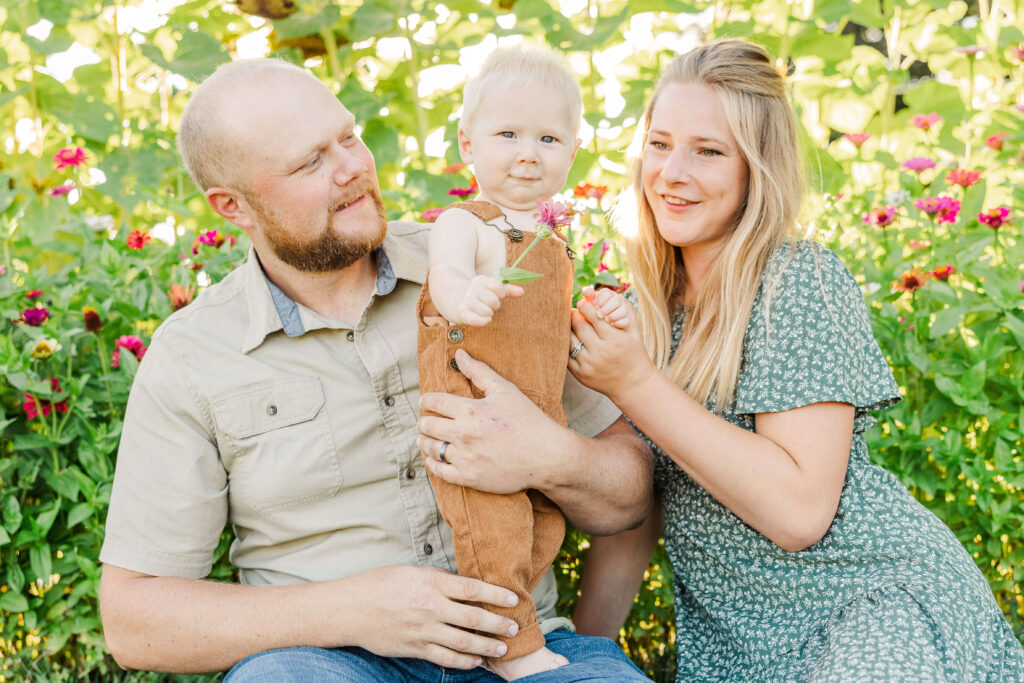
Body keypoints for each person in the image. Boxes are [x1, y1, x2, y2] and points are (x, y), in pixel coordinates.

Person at [97, 57, 654, 682]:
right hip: (321, 664)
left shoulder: (489, 265)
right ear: (234, 206)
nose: (354, 168)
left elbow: (628, 495)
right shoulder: (194, 356)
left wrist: (552, 457)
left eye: (349, 137)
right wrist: (351, 611)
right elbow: (134, 621)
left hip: (532, 654)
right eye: (311, 162)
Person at [568, 39, 1024, 681]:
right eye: (660, 143)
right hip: (742, 654)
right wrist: (581, 657)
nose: (672, 172)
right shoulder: (644, 310)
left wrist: (636, 383)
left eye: (709, 151)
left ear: (756, 168)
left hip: (867, 612)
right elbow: (633, 519)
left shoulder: (796, 282)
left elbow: (799, 512)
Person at [417, 46, 585, 681]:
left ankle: (492, 634)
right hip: (472, 421)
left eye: (548, 137)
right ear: (468, 142)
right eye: (508, 134)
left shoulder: (552, 237)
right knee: (494, 534)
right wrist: (466, 293)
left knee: (542, 530)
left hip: (539, 423)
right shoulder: (470, 222)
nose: (528, 152)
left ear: (572, 151)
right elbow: (448, 272)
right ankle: (513, 651)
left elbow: (546, 321)